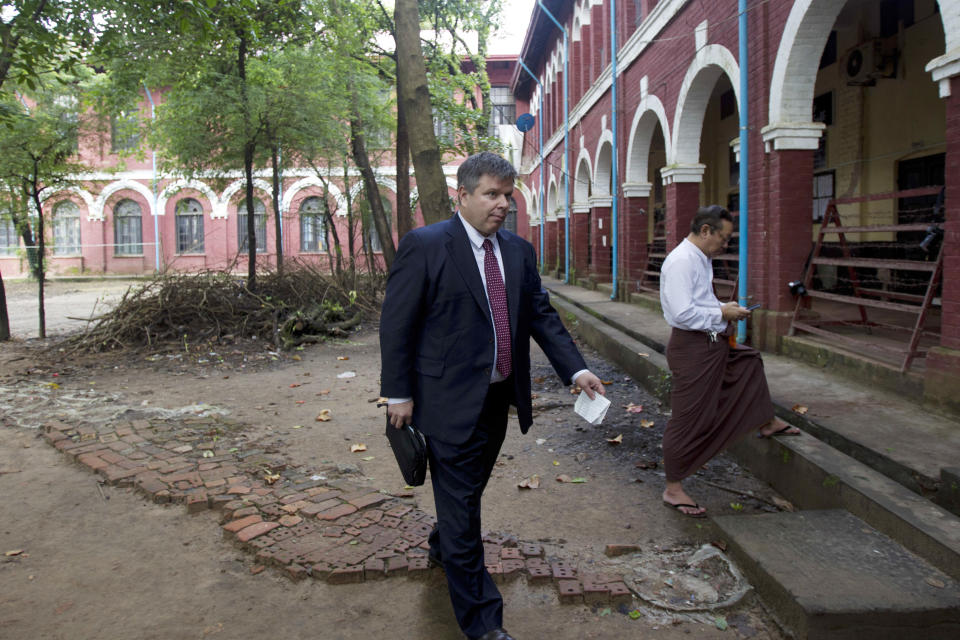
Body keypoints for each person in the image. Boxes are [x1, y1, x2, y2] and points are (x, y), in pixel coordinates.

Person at [380, 152, 605, 640]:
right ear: (461, 196)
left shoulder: (519, 252)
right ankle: (484, 623)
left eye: (508, 195)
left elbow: (541, 315)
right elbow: (397, 324)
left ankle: (443, 540)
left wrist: (577, 369)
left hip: (497, 398)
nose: (503, 204)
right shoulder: (425, 245)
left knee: (464, 495)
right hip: (442, 400)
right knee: (464, 510)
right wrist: (397, 393)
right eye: (491, 194)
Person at [659, 205, 799, 518]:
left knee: (748, 362)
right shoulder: (683, 261)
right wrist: (722, 313)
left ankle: (765, 421)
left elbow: (699, 303)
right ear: (705, 230)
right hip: (693, 349)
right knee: (688, 417)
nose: (725, 245)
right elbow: (682, 314)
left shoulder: (700, 258)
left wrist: (723, 306)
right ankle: (673, 488)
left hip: (711, 341)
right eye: (723, 238)